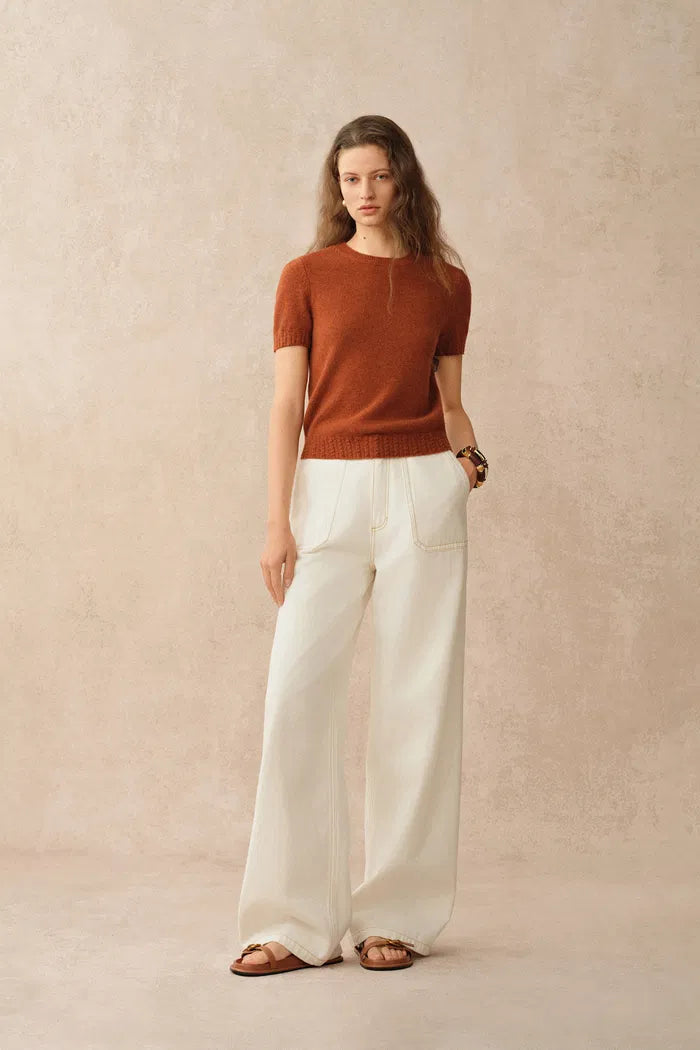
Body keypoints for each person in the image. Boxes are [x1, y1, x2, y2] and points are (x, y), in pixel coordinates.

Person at [230, 114, 488, 977]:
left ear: (403, 179)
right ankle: (291, 920)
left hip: (423, 490)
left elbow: (451, 401)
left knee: (418, 699)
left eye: (379, 175)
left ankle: (398, 916)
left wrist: (467, 464)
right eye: (350, 179)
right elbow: (286, 404)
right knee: (296, 697)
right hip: (328, 492)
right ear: (335, 188)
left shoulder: (446, 284)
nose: (365, 192)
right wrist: (277, 522)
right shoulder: (305, 276)